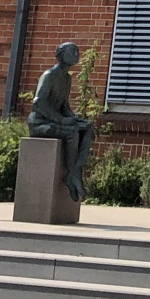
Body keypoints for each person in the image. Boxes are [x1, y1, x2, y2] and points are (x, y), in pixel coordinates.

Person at [28, 41, 94, 201]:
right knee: (72, 132)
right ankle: (72, 173)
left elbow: (64, 105)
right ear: (62, 55)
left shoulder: (67, 79)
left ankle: (76, 171)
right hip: (40, 123)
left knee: (87, 128)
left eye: (77, 51)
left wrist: (73, 118)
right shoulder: (49, 76)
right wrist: (62, 120)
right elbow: (38, 103)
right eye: (73, 51)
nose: (77, 55)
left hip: (56, 121)